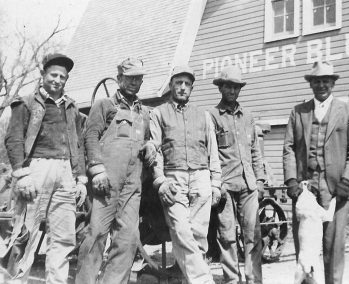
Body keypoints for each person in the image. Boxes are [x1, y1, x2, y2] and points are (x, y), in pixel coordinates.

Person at [3, 53, 87, 283]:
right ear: (43, 75)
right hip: (36, 170)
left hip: (65, 172)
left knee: (63, 238)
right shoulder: (27, 103)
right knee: (23, 234)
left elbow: (77, 144)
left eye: (63, 76)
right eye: (53, 75)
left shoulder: (71, 107)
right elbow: (14, 139)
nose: (57, 80)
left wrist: (80, 179)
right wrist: (21, 174)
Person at [75, 58, 155, 284]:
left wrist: (150, 145)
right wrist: (97, 169)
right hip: (106, 182)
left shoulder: (144, 111)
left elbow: (147, 139)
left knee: (128, 239)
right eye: (129, 78)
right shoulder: (104, 105)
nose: (134, 82)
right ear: (119, 78)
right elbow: (90, 137)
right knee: (97, 235)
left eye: (138, 78)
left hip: (132, 184)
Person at [283, 60, 349, 284]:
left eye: (325, 81)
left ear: (333, 83)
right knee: (305, 250)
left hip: (336, 190)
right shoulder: (298, 112)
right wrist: (291, 181)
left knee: (333, 248)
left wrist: (347, 181)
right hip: (305, 191)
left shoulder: (348, 112)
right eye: (316, 81)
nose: (321, 85)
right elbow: (288, 148)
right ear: (311, 84)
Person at [149, 65, 221, 284]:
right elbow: (155, 150)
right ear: (170, 85)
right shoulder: (159, 113)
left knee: (198, 237)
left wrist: (216, 183)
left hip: (201, 178)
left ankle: (185, 279)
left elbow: (213, 151)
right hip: (174, 179)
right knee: (181, 231)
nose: (182, 88)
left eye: (187, 84)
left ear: (191, 88)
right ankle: (203, 280)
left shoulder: (203, 115)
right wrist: (160, 180)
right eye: (178, 83)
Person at [208, 65, 265, 284]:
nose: (232, 91)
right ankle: (232, 279)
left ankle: (253, 280)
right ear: (221, 88)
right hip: (225, 187)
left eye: (236, 87)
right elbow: (209, 154)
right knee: (227, 236)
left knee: (253, 235)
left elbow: (255, 152)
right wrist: (216, 183)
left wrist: (260, 180)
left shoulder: (248, 117)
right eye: (228, 86)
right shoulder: (212, 116)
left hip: (249, 185)